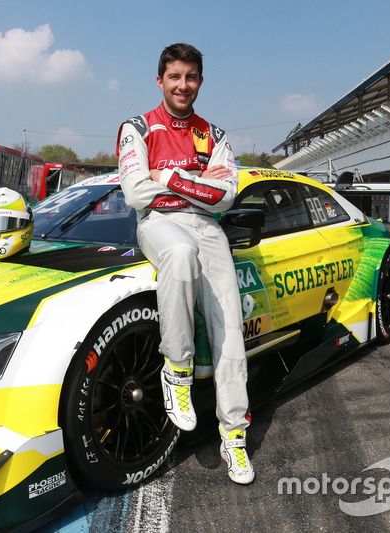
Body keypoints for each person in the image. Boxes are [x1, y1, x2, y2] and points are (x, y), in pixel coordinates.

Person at [117, 43, 254, 484]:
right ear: (160, 81)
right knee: (179, 252)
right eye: (174, 76)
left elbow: (226, 197)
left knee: (231, 332)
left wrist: (167, 177)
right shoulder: (137, 127)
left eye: (191, 77)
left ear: (200, 81)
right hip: (158, 223)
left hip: (209, 230)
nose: (182, 85)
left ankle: (234, 439)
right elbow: (137, 195)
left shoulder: (214, 134)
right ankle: (176, 369)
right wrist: (196, 184)